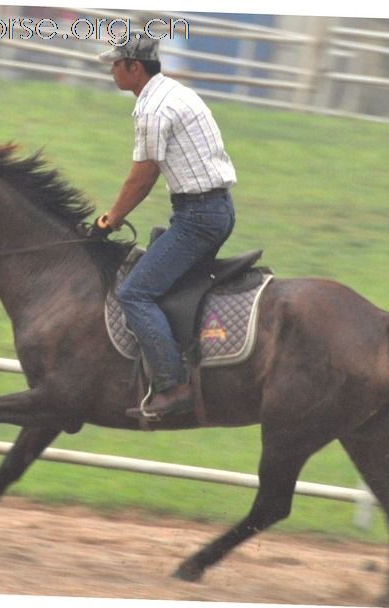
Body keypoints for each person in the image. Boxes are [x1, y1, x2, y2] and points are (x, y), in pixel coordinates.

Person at [97, 33, 237, 421]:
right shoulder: (175, 91)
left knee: (135, 293)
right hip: (214, 209)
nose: (110, 69)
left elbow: (142, 177)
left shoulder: (153, 109)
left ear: (133, 67)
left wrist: (111, 219)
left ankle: (173, 386)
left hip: (198, 218)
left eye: (115, 63)